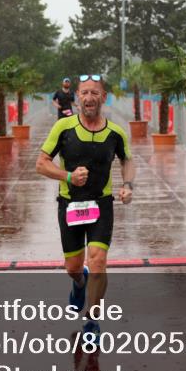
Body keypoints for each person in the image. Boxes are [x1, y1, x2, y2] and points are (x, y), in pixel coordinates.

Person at [36, 74, 134, 341]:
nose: (89, 98)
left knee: (99, 261)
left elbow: (127, 159)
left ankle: (92, 321)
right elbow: (41, 163)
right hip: (70, 205)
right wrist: (67, 177)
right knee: (73, 267)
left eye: (95, 93)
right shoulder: (64, 128)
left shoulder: (116, 133)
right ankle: (79, 284)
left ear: (103, 97)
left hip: (102, 204)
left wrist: (128, 185)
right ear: (77, 96)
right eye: (85, 93)